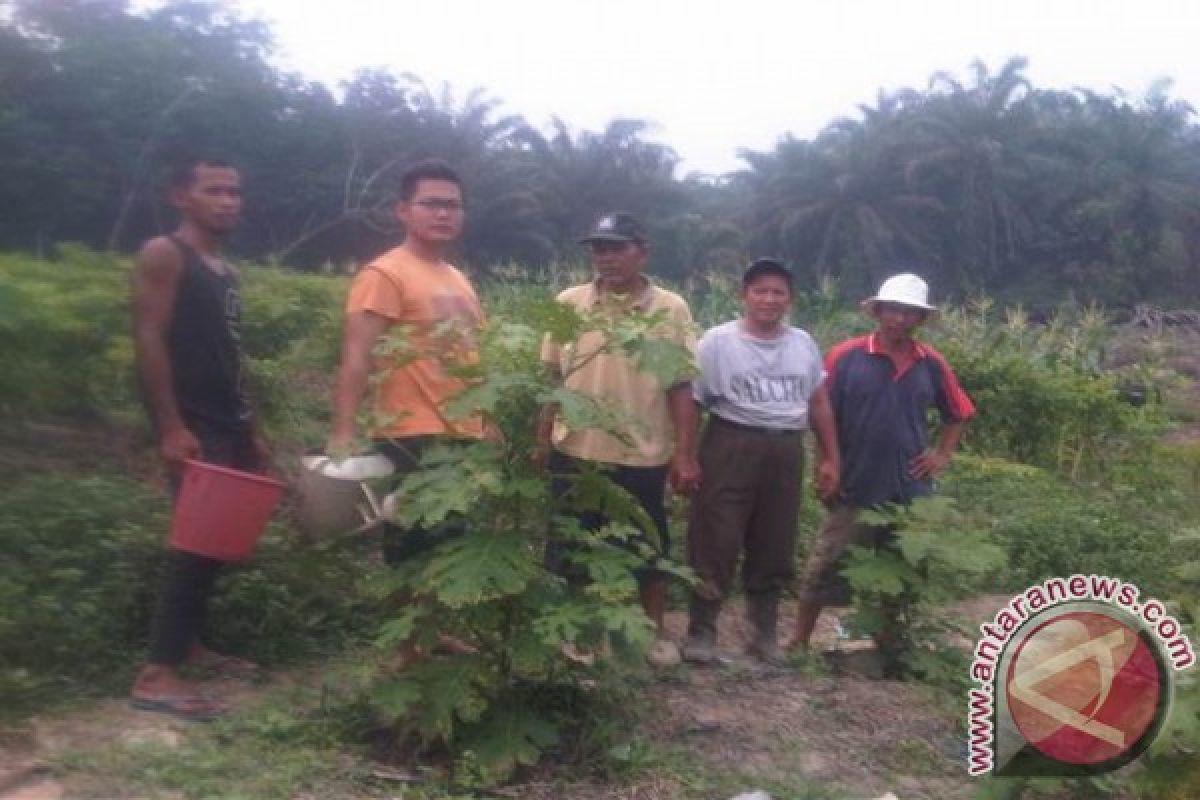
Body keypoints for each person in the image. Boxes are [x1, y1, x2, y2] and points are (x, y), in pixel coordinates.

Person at [130, 158, 270, 720]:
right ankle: (157, 674)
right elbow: (149, 336)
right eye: (215, 190)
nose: (229, 200)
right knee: (193, 544)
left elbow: (229, 358)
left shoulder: (224, 270)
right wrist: (170, 424)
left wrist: (252, 429)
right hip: (193, 421)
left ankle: (188, 646)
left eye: (235, 191)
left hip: (228, 420)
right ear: (180, 196)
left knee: (215, 543)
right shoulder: (165, 254)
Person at [788, 273, 975, 676]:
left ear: (920, 320)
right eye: (894, 310)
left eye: (910, 313)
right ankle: (799, 641)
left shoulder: (931, 363)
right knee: (828, 561)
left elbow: (958, 412)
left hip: (910, 488)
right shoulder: (846, 356)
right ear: (878, 311)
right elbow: (821, 413)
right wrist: (827, 462)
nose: (900, 319)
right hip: (855, 480)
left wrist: (942, 454)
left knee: (904, 567)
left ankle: (893, 645)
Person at [536, 212, 699, 667]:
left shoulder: (670, 308)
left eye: (616, 248)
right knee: (569, 546)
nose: (606, 258)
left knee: (648, 549)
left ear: (641, 251)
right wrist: (541, 437)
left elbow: (682, 385)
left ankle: (652, 634)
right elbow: (551, 377)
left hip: (641, 453)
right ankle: (579, 640)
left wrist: (685, 455)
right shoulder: (569, 302)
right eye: (598, 249)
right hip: (575, 449)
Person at [681, 259, 840, 667]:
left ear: (790, 299)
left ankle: (763, 634)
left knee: (775, 540)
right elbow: (692, 401)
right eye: (760, 291)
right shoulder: (717, 342)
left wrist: (829, 458)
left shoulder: (802, 343)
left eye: (778, 292)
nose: (769, 300)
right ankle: (701, 632)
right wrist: (684, 457)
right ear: (743, 295)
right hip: (730, 442)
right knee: (715, 537)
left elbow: (818, 401)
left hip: (785, 449)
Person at [328, 159, 485, 569]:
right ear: (403, 210)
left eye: (453, 205)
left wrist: (489, 425)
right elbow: (357, 355)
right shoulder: (385, 274)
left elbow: (474, 358)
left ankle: (431, 634)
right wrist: (343, 432)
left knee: (450, 549)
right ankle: (407, 636)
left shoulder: (458, 279)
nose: (443, 213)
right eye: (431, 203)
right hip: (410, 433)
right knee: (412, 548)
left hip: (462, 434)